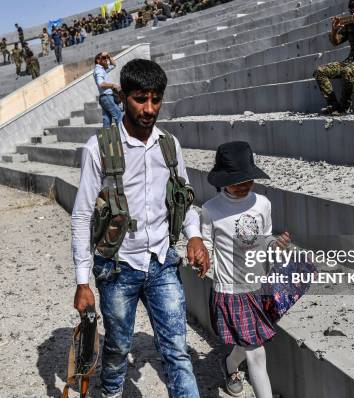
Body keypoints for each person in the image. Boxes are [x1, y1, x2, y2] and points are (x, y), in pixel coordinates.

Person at [72, 58, 210, 398]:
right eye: (140, 99)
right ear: (123, 99)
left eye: (155, 99)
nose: (149, 109)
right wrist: (82, 281)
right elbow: (81, 215)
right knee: (117, 350)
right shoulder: (99, 149)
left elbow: (183, 198)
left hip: (162, 261)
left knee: (177, 351)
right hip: (118, 268)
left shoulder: (169, 144)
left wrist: (194, 236)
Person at [202, 141, 292, 398]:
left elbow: (265, 238)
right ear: (222, 179)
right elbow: (206, 244)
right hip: (231, 290)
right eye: (237, 181)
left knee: (249, 341)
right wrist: (201, 256)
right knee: (257, 351)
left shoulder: (263, 203)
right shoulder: (211, 210)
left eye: (248, 180)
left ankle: (230, 365)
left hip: (259, 286)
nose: (244, 185)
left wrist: (277, 244)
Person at [313, 0, 354, 114]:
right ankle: (333, 104)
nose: (353, 14)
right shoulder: (349, 25)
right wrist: (334, 30)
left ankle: (344, 106)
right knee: (320, 71)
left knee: (348, 71)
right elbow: (335, 42)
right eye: (351, 12)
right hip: (351, 60)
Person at [93, 52, 123, 128]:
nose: (106, 59)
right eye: (104, 58)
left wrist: (109, 56)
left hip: (105, 97)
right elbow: (101, 84)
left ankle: (106, 138)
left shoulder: (102, 69)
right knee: (118, 115)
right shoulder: (98, 70)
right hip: (107, 97)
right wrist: (113, 85)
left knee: (107, 119)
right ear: (98, 60)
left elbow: (113, 65)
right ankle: (123, 136)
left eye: (106, 58)